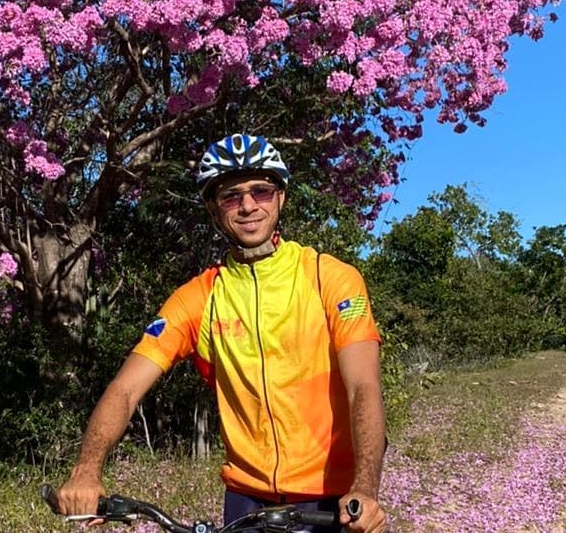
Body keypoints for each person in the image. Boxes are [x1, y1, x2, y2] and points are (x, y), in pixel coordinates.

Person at [56, 133, 388, 533]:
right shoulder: (198, 298)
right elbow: (126, 389)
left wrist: (365, 487)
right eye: (231, 197)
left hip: (331, 500)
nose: (248, 206)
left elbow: (363, 388)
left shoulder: (330, 278)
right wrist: (86, 471)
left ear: (280, 197)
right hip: (247, 502)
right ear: (214, 211)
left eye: (260, 191)